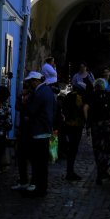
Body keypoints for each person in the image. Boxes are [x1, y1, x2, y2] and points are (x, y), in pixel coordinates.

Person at [24, 70, 57, 198]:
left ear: (36, 81)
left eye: (31, 81)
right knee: (42, 162)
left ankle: (39, 187)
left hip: (38, 130)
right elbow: (54, 109)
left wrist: (25, 103)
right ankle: (41, 186)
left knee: (38, 162)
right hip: (46, 129)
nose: (30, 84)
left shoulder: (39, 93)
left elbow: (31, 110)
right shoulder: (48, 91)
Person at [85, 78, 110, 183]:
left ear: (95, 87)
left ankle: (100, 174)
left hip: (97, 125)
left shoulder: (92, 95)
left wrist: (88, 123)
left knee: (98, 149)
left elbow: (85, 108)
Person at [59, 86, 85, 181]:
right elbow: (82, 110)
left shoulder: (68, 96)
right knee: (73, 149)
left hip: (67, 124)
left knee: (71, 149)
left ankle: (69, 171)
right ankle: (70, 172)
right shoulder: (78, 97)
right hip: (76, 125)